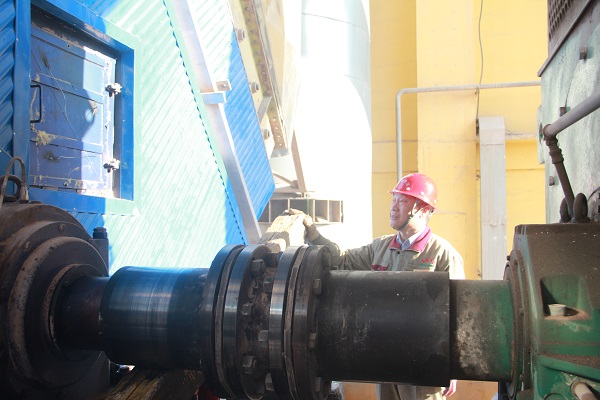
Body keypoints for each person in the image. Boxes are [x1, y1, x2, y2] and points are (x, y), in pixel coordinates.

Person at [289, 173, 465, 400]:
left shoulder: (442, 254)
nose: (394, 207)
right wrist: (314, 234)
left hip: (425, 360)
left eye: (402, 201)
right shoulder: (380, 248)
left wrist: (454, 365)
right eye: (394, 200)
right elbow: (342, 260)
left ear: (423, 210)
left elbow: (459, 312)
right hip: (384, 356)